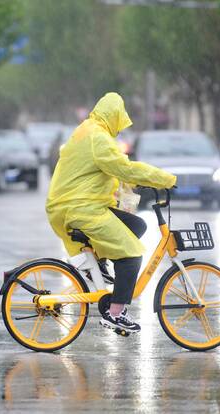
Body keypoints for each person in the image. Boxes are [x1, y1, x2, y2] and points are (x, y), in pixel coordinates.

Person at [46, 92, 177, 333]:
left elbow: (104, 171)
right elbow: (123, 168)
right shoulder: (99, 137)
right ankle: (115, 313)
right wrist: (164, 179)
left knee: (137, 226)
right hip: (81, 208)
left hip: (74, 205)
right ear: (114, 116)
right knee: (132, 254)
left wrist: (129, 187)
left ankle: (97, 262)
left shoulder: (89, 130)